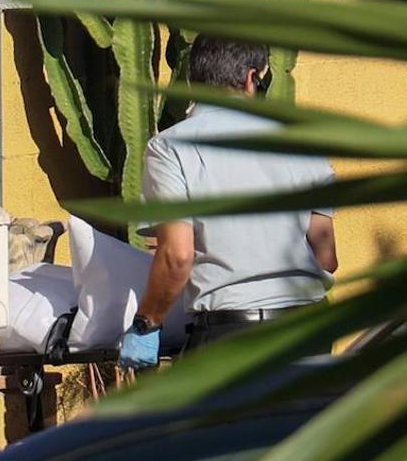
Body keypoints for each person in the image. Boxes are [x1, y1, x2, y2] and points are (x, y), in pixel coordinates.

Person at [118, 36, 338, 370]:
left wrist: (146, 324)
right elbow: (327, 257)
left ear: (193, 81)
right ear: (252, 79)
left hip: (230, 335)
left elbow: (177, 255)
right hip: (308, 331)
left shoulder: (170, 148)